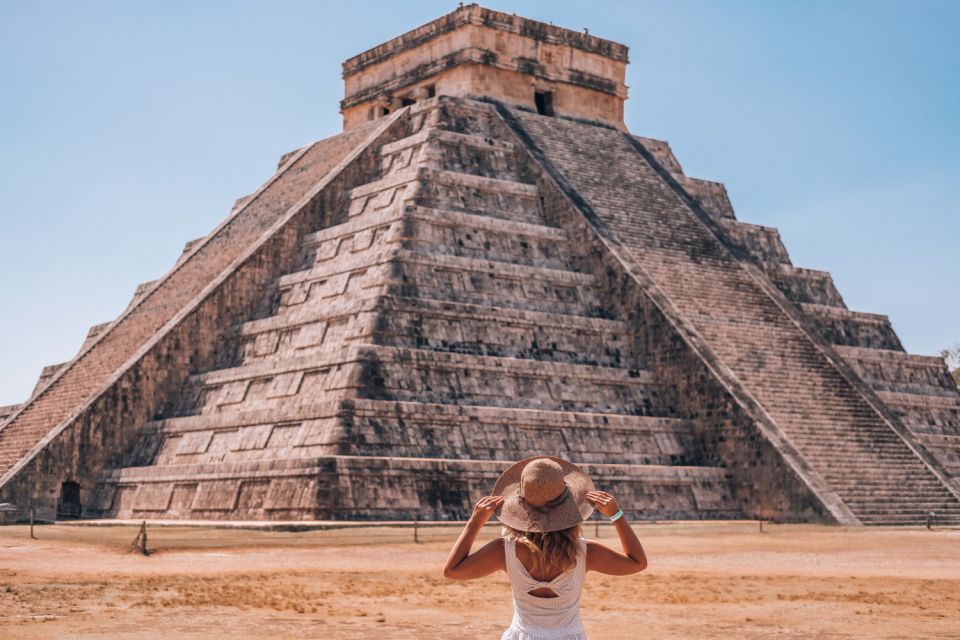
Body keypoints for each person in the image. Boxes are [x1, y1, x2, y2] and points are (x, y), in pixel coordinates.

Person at [443, 456, 648, 639]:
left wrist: (474, 522)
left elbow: (453, 570)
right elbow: (637, 562)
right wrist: (617, 515)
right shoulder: (585, 553)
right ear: (569, 505)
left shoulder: (505, 551)